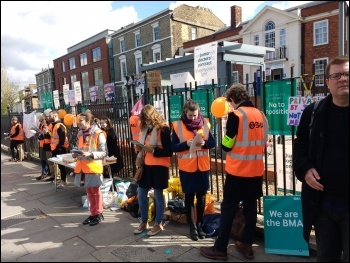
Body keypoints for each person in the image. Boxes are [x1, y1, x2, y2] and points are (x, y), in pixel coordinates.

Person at [200, 84, 268, 260]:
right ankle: (247, 245)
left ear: (232, 100)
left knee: (228, 209)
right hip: (256, 171)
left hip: (237, 172)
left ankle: (220, 248)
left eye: (229, 103)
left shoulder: (236, 115)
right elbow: (264, 142)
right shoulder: (261, 115)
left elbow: (226, 145)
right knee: (251, 209)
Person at [293, 56, 349, 262]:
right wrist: (305, 169)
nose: (343, 79)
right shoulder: (313, 112)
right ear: (327, 82)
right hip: (324, 206)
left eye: (347, 74)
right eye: (337, 75)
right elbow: (300, 147)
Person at [171, 99, 215, 241]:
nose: (194, 118)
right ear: (185, 113)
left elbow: (213, 143)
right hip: (187, 168)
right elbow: (173, 147)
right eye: (191, 115)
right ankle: (192, 227)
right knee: (189, 197)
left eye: (195, 115)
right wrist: (186, 144)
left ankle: (200, 224)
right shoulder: (177, 126)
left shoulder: (206, 123)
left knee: (201, 197)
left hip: (202, 167)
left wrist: (204, 143)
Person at [133, 104, 173, 236]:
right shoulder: (144, 128)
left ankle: (158, 223)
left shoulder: (164, 128)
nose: (147, 122)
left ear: (154, 116)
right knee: (141, 193)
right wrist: (139, 149)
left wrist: (153, 151)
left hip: (159, 167)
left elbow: (168, 151)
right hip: (146, 165)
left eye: (148, 119)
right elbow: (143, 145)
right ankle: (144, 221)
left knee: (158, 195)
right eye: (144, 120)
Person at [73, 112, 107, 226]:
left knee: (96, 192)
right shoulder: (80, 134)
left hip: (93, 167)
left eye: (81, 120)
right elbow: (81, 148)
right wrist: (76, 154)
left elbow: (104, 153)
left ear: (88, 121)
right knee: (89, 192)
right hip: (83, 167)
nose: (78, 123)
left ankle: (98, 213)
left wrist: (91, 154)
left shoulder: (98, 133)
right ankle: (92, 213)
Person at [48, 110, 69, 188]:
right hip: (55, 148)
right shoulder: (54, 125)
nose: (49, 118)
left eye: (50, 116)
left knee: (62, 165)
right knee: (59, 165)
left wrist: (59, 147)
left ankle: (64, 181)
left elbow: (62, 137)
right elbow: (53, 136)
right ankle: (63, 180)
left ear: (55, 116)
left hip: (60, 149)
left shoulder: (59, 125)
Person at [36, 115, 50, 180]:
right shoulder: (42, 125)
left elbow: (45, 135)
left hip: (44, 144)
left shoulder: (44, 125)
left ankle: (44, 173)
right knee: (43, 159)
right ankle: (45, 172)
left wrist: (41, 133)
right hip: (42, 143)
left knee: (43, 159)